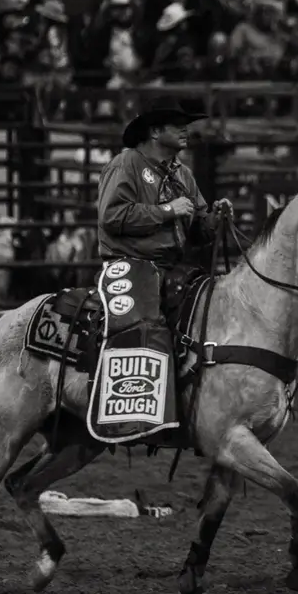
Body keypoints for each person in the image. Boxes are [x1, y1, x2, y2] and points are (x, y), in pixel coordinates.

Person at [92, 104, 227, 445]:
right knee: (144, 325)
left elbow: (198, 228)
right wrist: (167, 210)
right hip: (131, 263)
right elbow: (112, 216)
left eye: (186, 124)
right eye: (177, 125)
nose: (185, 130)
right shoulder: (127, 164)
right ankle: (134, 408)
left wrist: (214, 219)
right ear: (154, 132)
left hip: (173, 267)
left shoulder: (182, 173)